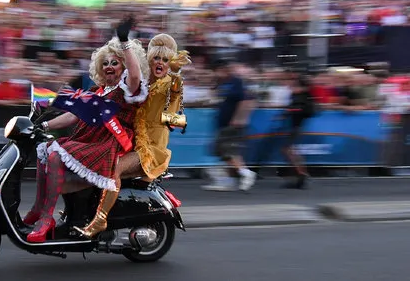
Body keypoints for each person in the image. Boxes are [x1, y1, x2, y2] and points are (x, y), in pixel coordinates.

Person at [23, 17, 149, 243]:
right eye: (106, 63)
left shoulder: (127, 89)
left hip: (107, 144)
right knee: (46, 151)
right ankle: (39, 210)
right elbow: (73, 115)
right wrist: (41, 125)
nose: (109, 67)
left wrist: (124, 42)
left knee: (54, 153)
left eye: (115, 63)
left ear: (123, 66)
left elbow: (135, 75)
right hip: (87, 138)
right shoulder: (96, 90)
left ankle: (45, 219)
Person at [74, 33, 191, 238]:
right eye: (156, 58)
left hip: (151, 149)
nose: (160, 63)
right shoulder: (142, 83)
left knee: (113, 169)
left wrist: (176, 72)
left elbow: (175, 99)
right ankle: (79, 213)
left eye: (165, 60)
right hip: (131, 142)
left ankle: (99, 220)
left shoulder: (169, 84)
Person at [203, 59, 257, 192]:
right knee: (223, 151)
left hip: (232, 124)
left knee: (228, 151)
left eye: (217, 71)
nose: (216, 74)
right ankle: (231, 179)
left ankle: (245, 174)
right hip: (223, 123)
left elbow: (246, 100)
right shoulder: (222, 83)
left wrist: (239, 118)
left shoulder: (236, 82)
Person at [280, 75, 313, 189]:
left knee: (288, 150)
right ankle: (299, 174)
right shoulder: (303, 96)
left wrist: (287, 112)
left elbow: (298, 109)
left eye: (294, 85)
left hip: (296, 127)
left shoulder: (300, 97)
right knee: (291, 150)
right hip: (296, 126)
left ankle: (301, 173)